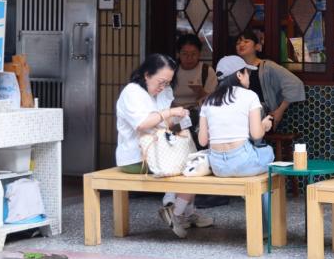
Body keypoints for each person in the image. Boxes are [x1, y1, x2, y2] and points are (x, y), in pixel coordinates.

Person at [115, 53, 213, 239]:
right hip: (137, 158)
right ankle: (176, 211)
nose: (163, 87)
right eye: (160, 82)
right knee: (193, 170)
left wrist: (179, 118)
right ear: (146, 75)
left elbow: (165, 125)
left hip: (160, 153)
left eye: (167, 83)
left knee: (195, 163)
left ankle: (182, 211)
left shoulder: (163, 92)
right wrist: (169, 112)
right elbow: (142, 124)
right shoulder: (132, 92)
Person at [197, 55, 275, 177]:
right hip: (243, 161)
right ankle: (260, 196)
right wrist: (264, 125)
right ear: (239, 75)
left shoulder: (208, 100)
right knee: (268, 152)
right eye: (247, 72)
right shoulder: (250, 96)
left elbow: (202, 141)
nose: (249, 76)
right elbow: (256, 135)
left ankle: (253, 196)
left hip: (218, 166)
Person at [172, 34, 227, 208]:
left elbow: (211, 99)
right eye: (184, 54)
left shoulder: (206, 71)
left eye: (193, 54)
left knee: (198, 133)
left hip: (197, 112)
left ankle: (202, 187)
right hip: (173, 112)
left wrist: (200, 92)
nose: (189, 58)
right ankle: (174, 186)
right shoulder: (172, 71)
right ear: (178, 54)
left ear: (200, 53)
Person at [234, 30, 305, 130]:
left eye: (246, 41)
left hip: (261, 116)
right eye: (238, 43)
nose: (241, 44)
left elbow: (295, 84)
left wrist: (280, 111)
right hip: (238, 114)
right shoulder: (234, 69)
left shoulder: (267, 66)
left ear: (257, 47)